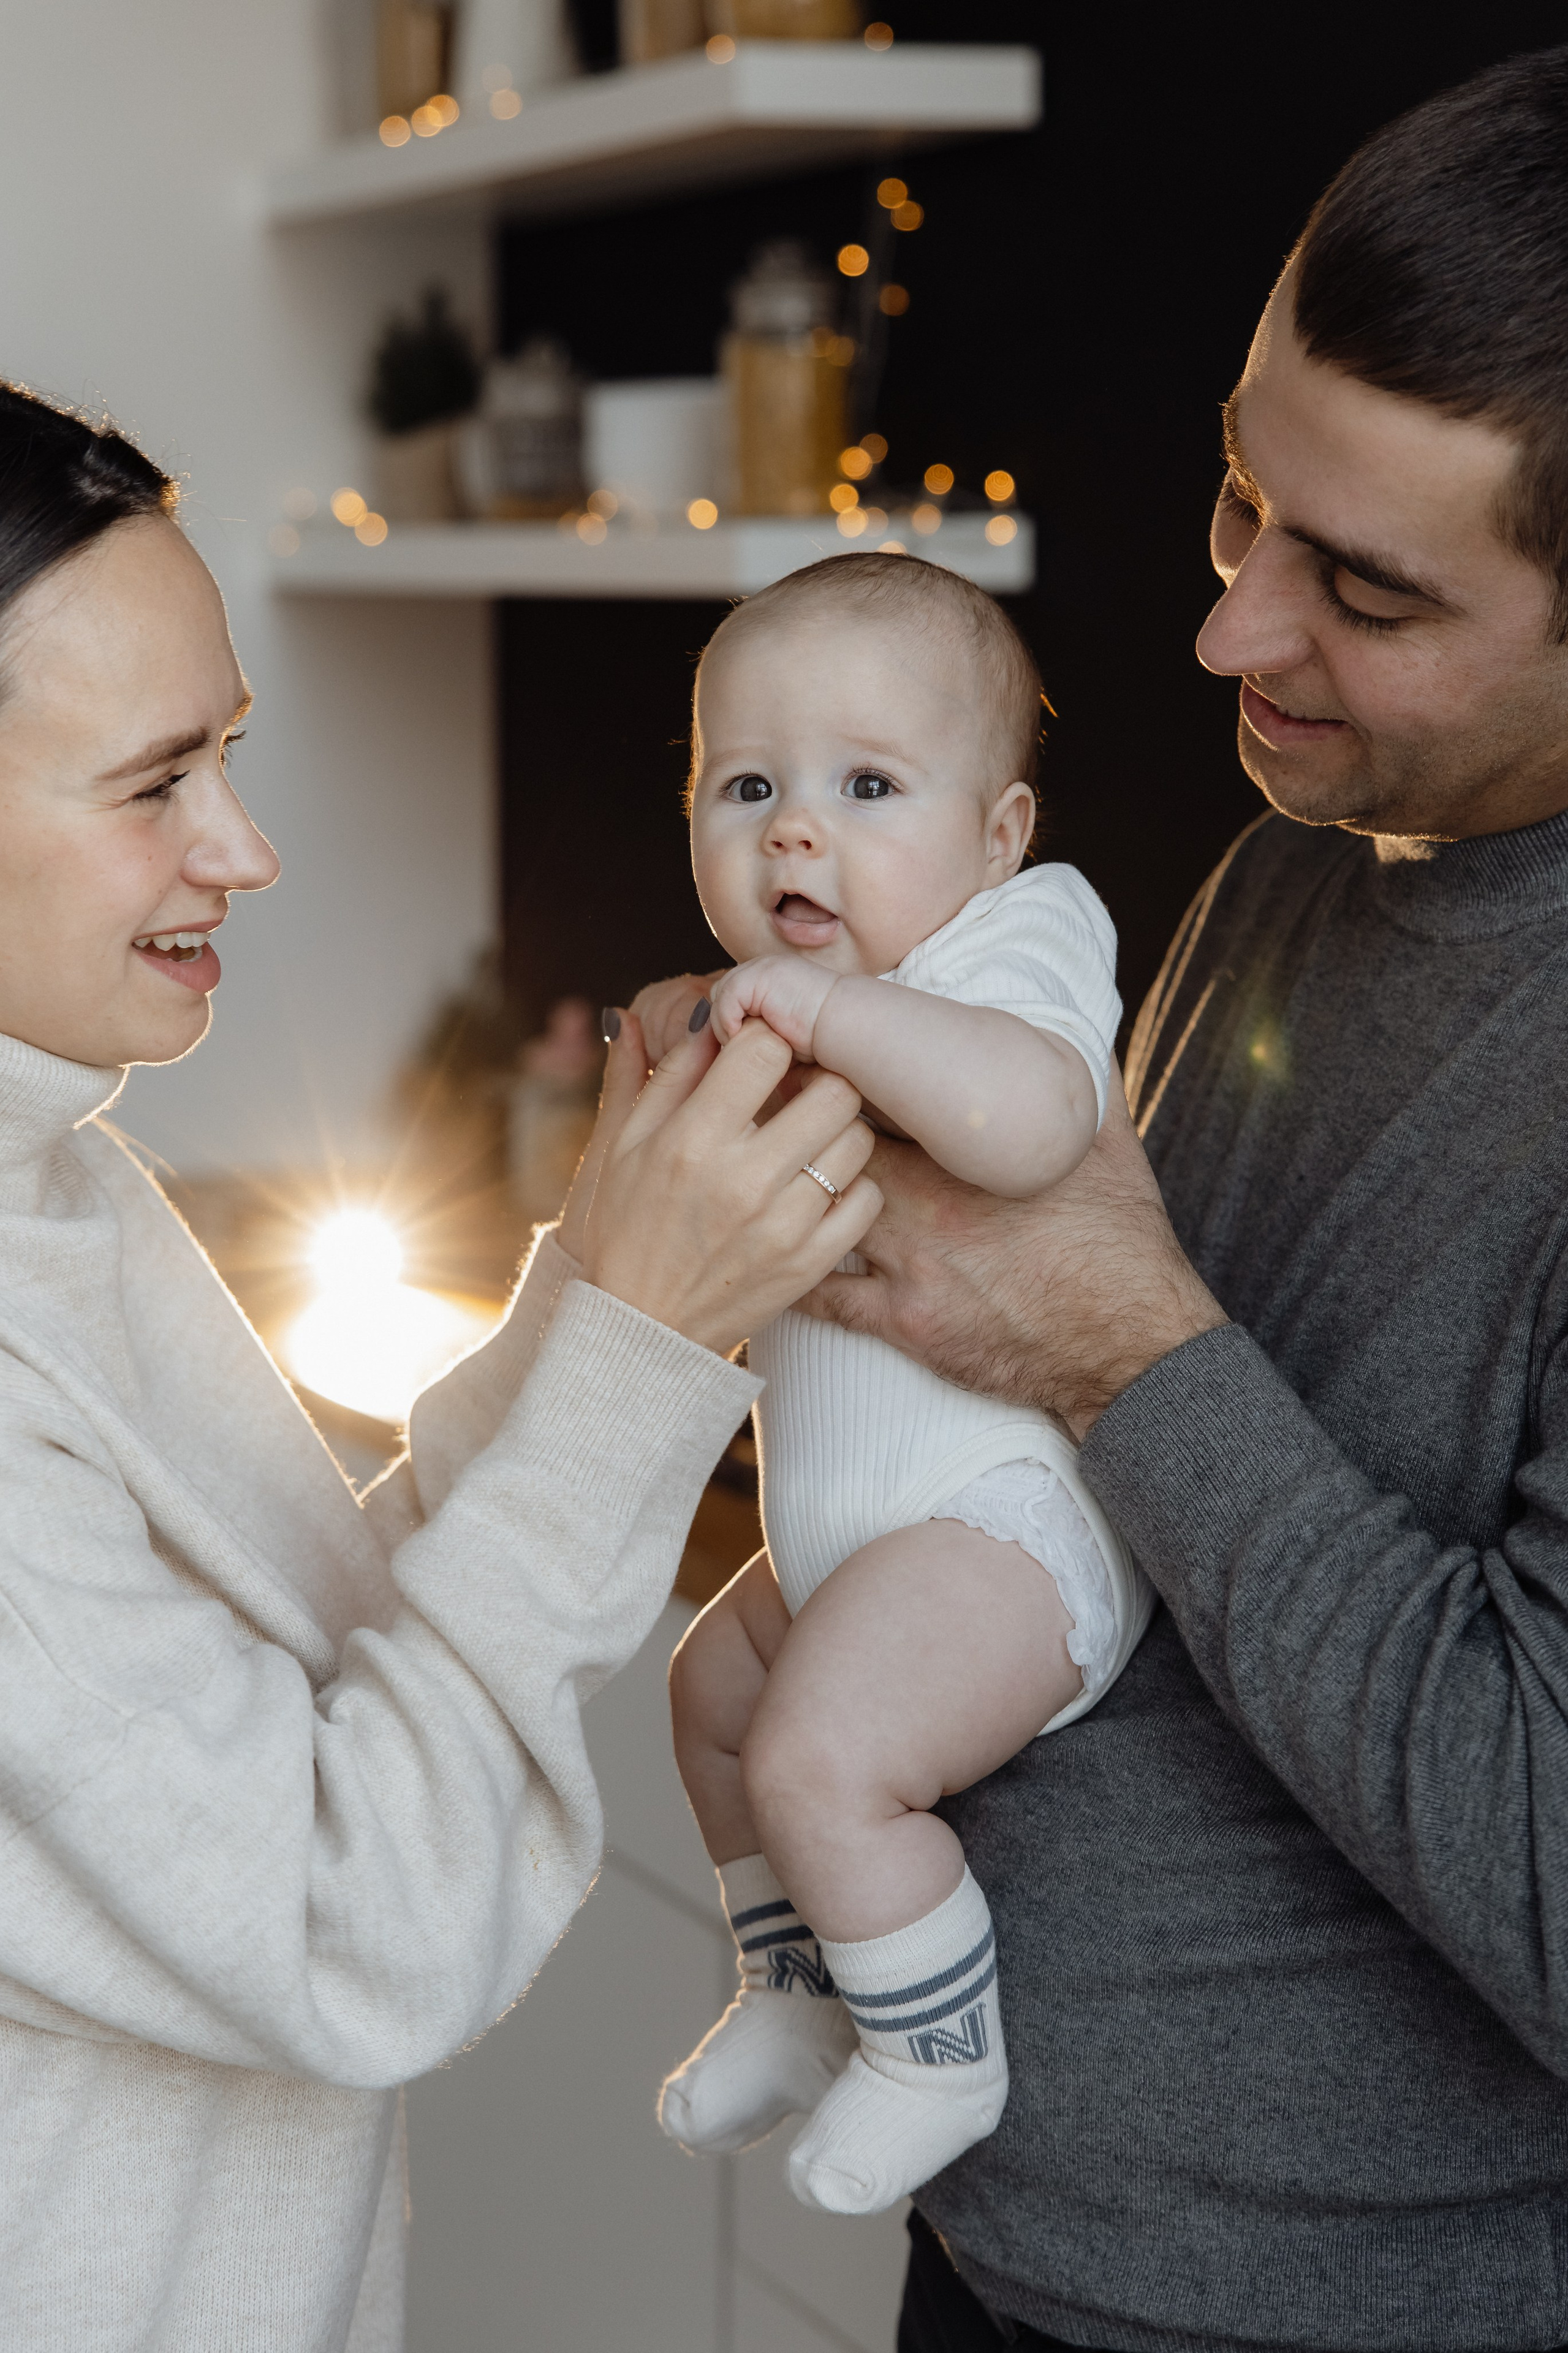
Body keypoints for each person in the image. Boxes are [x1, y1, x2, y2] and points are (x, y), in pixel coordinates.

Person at [791, 48, 1568, 2353]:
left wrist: (1119, 1341)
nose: (1228, 632)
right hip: (1011, 2264)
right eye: (1243, 504)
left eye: (1365, 588)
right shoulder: (1293, 873)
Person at [0, 381, 879, 2351]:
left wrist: (600, 1293)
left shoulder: (56, 1165)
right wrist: (639, 1354)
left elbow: (294, 1657)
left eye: (229, 752)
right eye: (155, 784)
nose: (246, 847)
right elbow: (349, 1918)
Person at [649, 555, 1150, 2216]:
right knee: (710, 1703)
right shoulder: (795, 1003)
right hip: (856, 1543)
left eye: (868, 787)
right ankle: (794, 1991)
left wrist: (826, 1011)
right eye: (749, 786)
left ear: (997, 833)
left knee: (814, 1753)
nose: (799, 831)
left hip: (1007, 1534)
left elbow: (1025, 1126)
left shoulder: (1012, 945)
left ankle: (936, 2053)